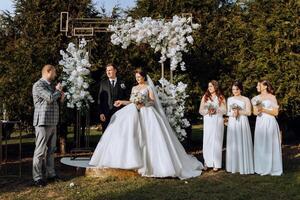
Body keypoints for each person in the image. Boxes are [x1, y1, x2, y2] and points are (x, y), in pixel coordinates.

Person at [89, 68, 203, 179]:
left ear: (143, 77)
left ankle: (152, 165)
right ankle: (133, 161)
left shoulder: (148, 87)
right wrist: (122, 102)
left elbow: (153, 101)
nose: (138, 79)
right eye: (136, 77)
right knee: (128, 129)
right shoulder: (134, 88)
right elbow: (131, 101)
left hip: (147, 112)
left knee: (149, 137)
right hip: (134, 112)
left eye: (139, 77)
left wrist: (144, 102)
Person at [32, 64, 64, 187]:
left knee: (51, 151)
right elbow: (50, 98)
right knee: (40, 151)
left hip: (52, 122)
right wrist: (58, 91)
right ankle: (37, 177)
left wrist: (61, 96)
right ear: (48, 71)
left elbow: (55, 100)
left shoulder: (50, 86)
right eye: (54, 72)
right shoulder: (38, 85)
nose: (55, 75)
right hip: (42, 122)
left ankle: (51, 174)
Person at [252, 80, 283, 176]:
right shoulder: (255, 98)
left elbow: (276, 113)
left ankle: (273, 167)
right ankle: (261, 167)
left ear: (265, 86)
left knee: (270, 143)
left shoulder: (272, 97)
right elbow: (254, 112)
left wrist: (263, 109)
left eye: (259, 85)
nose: (257, 87)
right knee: (260, 144)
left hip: (270, 122)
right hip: (260, 122)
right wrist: (257, 111)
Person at [226, 81, 254, 174]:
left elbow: (249, 112)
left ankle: (244, 165)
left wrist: (239, 112)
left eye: (236, 89)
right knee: (233, 142)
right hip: (233, 122)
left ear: (240, 89)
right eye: (233, 89)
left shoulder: (246, 99)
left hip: (242, 121)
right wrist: (233, 113)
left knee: (242, 141)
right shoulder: (229, 99)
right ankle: (233, 166)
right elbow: (228, 112)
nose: (235, 91)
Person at [199, 80, 226, 171]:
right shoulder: (205, 97)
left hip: (217, 120)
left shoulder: (220, 97)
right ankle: (207, 162)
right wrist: (207, 111)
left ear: (215, 87)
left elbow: (225, 110)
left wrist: (216, 110)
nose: (209, 88)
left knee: (217, 140)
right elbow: (201, 110)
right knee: (207, 140)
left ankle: (216, 163)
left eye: (211, 86)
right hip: (208, 120)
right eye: (208, 86)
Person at [97, 63, 128, 132]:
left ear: (115, 71)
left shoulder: (122, 82)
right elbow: (100, 100)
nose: (108, 72)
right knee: (106, 135)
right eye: (107, 70)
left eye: (110, 70)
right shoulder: (103, 83)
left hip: (120, 114)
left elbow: (127, 98)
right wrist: (101, 113)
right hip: (106, 114)